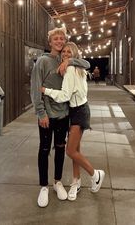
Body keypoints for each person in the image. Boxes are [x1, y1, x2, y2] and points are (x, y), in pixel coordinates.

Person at [30, 27, 90, 208]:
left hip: (64, 114)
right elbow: (35, 89)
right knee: (44, 148)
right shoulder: (42, 61)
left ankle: (57, 182)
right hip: (48, 115)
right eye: (55, 38)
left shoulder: (67, 60)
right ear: (50, 42)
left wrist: (70, 60)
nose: (59, 41)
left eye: (61, 38)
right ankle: (43, 186)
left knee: (60, 148)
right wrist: (41, 113)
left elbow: (86, 64)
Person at [42, 42, 105, 202]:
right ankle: (76, 181)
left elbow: (64, 96)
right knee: (76, 148)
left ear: (75, 53)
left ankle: (95, 174)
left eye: (69, 52)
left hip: (79, 112)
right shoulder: (78, 68)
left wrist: (45, 91)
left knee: (70, 151)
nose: (66, 53)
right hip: (76, 110)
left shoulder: (71, 69)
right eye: (64, 51)